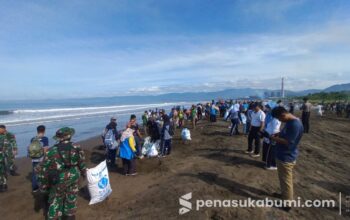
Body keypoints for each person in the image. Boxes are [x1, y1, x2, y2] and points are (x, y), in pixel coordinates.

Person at [36, 127, 86, 220]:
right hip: (74, 176)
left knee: (55, 201)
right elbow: (82, 164)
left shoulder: (51, 151)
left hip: (58, 179)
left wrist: (43, 185)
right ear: (69, 136)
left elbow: (43, 169)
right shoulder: (77, 148)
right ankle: (69, 217)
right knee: (71, 198)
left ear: (58, 138)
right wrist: (84, 173)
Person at [270, 107, 303, 212]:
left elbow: (288, 142)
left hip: (286, 156)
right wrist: (278, 134)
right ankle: (284, 195)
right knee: (283, 179)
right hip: (283, 155)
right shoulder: (291, 122)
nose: (280, 121)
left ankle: (287, 203)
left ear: (283, 115)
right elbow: (286, 134)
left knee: (286, 180)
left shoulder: (294, 124)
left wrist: (274, 138)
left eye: (279, 119)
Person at [28, 125, 49, 192]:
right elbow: (45, 149)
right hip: (42, 158)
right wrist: (46, 158)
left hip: (34, 158)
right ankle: (43, 187)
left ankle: (35, 188)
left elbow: (31, 149)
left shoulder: (32, 139)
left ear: (37, 131)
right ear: (44, 131)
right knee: (43, 173)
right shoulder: (45, 138)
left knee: (35, 173)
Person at [261, 106, 281, 170]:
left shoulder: (276, 119)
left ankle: (271, 165)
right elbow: (268, 126)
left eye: (268, 108)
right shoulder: (270, 117)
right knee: (267, 151)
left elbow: (275, 130)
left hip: (271, 137)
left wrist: (271, 137)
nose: (266, 109)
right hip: (268, 136)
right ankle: (268, 163)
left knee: (271, 152)